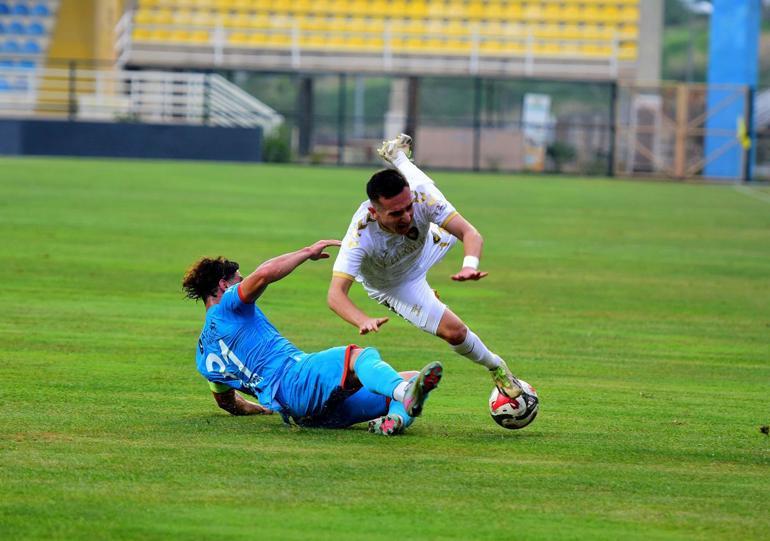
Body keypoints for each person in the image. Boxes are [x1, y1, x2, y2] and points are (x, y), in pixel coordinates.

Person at [327, 134, 524, 399]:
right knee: (455, 333)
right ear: (374, 213)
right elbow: (335, 295)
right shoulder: (359, 237)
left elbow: (470, 233)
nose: (406, 217)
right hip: (394, 284)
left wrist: (469, 265)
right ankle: (495, 365)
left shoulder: (420, 199)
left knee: (434, 201)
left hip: (429, 244)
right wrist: (362, 319)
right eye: (396, 213)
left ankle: (398, 158)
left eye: (408, 207)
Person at [182, 239, 442, 436]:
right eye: (239, 280)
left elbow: (227, 403)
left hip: (301, 413)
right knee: (359, 356)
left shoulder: (203, 357)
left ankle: (394, 420)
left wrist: (262, 408)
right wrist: (307, 252)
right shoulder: (228, 304)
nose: (244, 282)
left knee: (410, 378)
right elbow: (263, 275)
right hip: (294, 377)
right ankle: (403, 393)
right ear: (224, 286)